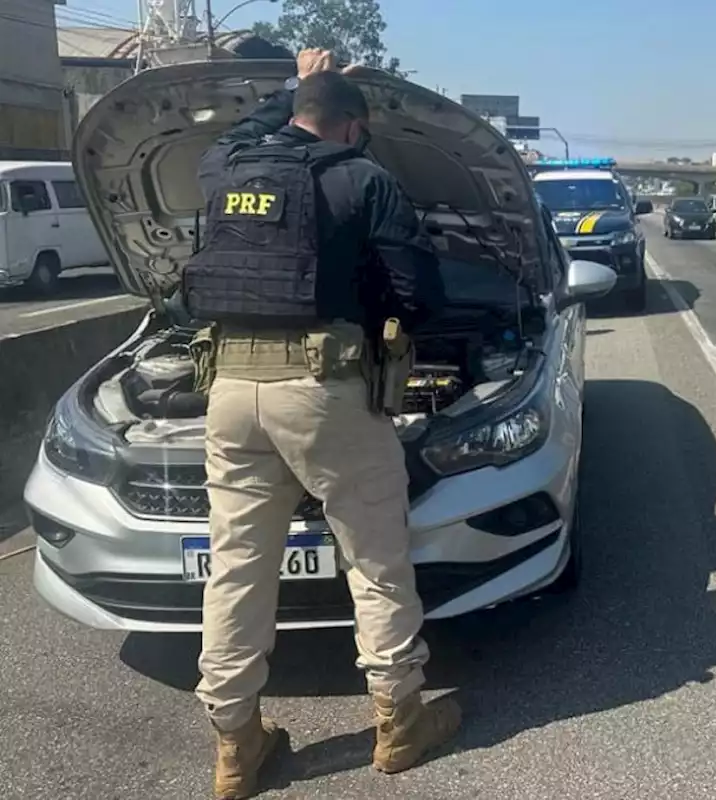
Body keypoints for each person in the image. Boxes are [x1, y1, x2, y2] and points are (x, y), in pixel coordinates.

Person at [184, 48, 459, 799]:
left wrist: (293, 84)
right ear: (353, 129)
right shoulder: (364, 178)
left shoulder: (224, 170)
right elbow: (417, 292)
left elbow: (242, 135)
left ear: (301, 113)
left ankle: (236, 745)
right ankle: (399, 719)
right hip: (322, 389)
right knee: (374, 555)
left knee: (237, 566)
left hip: (230, 387)